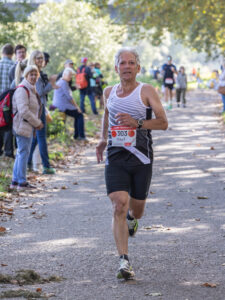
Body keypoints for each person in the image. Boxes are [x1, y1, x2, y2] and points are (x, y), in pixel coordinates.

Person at [96, 47, 168, 280]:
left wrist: (137, 122)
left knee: (137, 209)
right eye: (122, 63)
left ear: (137, 67)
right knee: (119, 204)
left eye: (131, 63)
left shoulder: (146, 90)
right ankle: (124, 261)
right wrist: (102, 139)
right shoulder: (109, 92)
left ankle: (132, 220)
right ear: (116, 67)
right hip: (115, 156)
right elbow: (107, 115)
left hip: (141, 157)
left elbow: (163, 123)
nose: (126, 66)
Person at [10, 65, 43, 190]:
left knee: (21, 153)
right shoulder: (22, 89)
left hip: (26, 126)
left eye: (35, 74)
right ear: (26, 76)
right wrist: (37, 123)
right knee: (23, 153)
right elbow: (24, 110)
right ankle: (22, 183)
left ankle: (15, 182)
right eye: (31, 74)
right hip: (22, 126)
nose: (34, 77)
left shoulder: (31, 89)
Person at [27, 50, 58, 174]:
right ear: (33, 59)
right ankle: (46, 166)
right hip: (38, 108)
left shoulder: (38, 71)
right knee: (41, 137)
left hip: (39, 107)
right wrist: (51, 83)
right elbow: (39, 92)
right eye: (38, 58)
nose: (40, 60)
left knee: (36, 138)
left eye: (41, 58)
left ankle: (28, 162)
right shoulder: (35, 72)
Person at [53, 67, 86, 140]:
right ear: (64, 74)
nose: (71, 77)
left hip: (60, 104)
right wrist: (77, 107)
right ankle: (81, 136)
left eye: (71, 75)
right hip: (62, 106)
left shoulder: (61, 81)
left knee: (77, 115)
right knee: (79, 115)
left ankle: (76, 135)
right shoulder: (63, 82)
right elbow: (70, 97)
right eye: (69, 75)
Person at [0, 43, 15, 158]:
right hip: (9, 99)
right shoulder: (14, 65)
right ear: (12, 53)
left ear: (3, 52)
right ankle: (9, 152)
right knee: (8, 123)